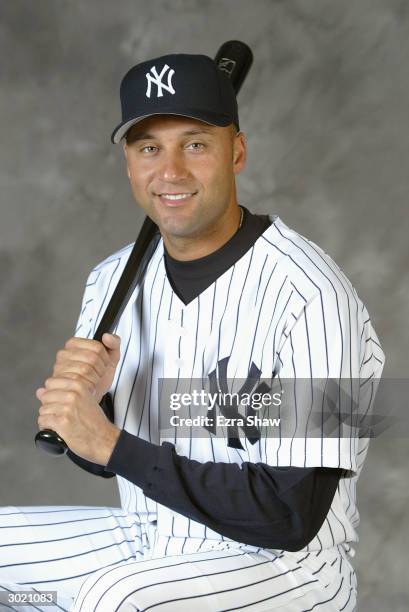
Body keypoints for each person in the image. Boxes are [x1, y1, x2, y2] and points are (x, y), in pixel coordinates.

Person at [0, 53, 385, 612]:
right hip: (153, 536)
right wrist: (87, 415)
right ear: (129, 162)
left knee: (117, 596)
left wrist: (112, 444)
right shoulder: (110, 281)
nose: (170, 171)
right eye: (149, 147)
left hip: (287, 568)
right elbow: (99, 452)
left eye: (196, 143)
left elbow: (293, 515)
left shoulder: (317, 297)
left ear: (238, 152)